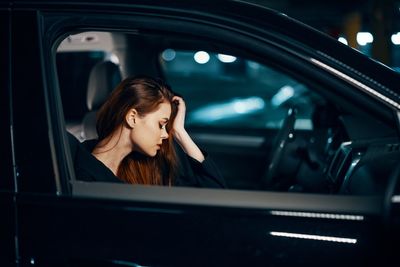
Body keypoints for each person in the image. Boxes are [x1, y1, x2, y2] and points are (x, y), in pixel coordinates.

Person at [72, 76, 226, 188]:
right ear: (132, 118)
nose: (166, 135)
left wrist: (180, 132)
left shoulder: (147, 165)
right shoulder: (82, 174)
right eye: (161, 125)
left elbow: (214, 195)